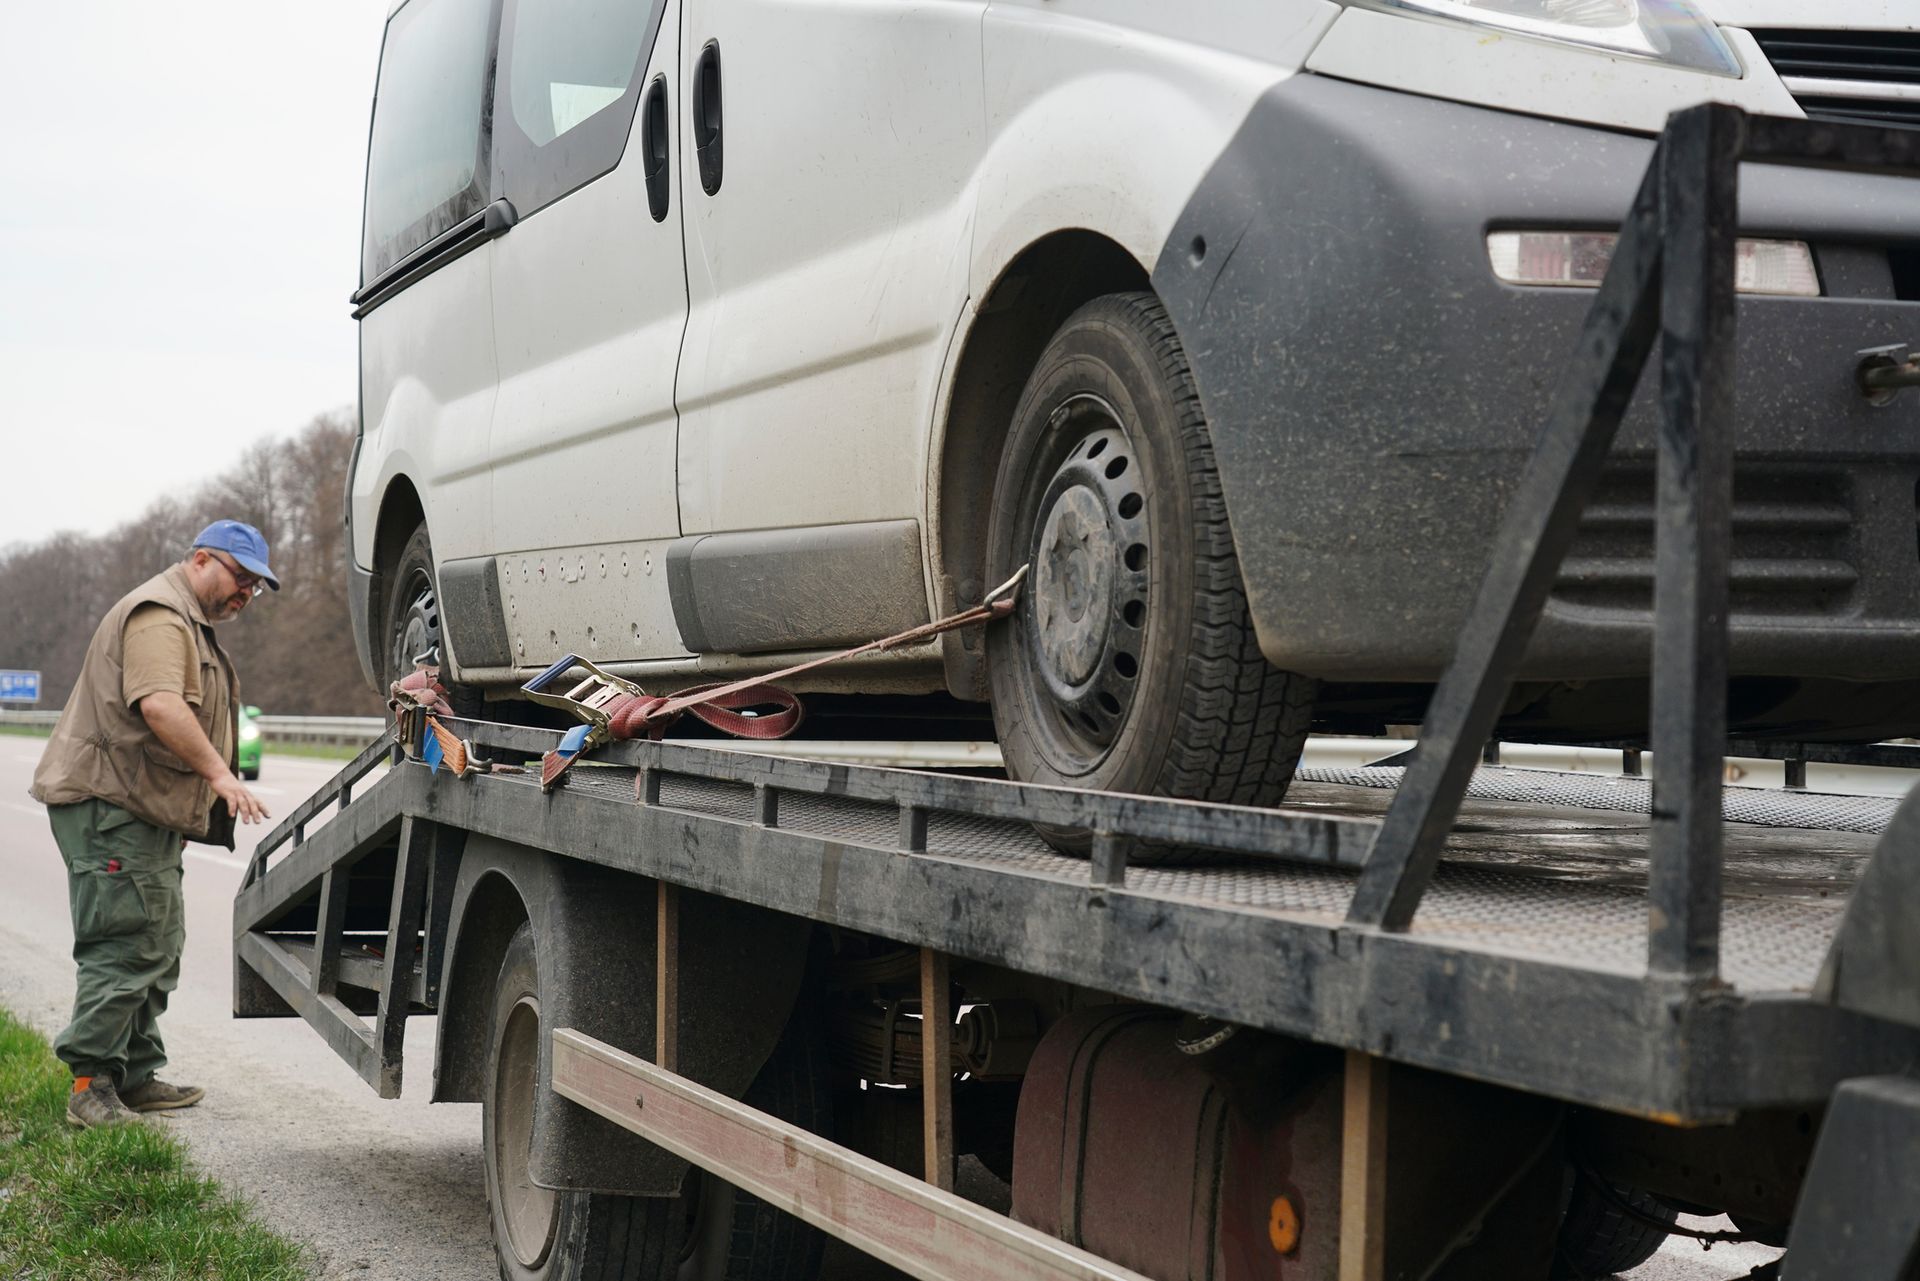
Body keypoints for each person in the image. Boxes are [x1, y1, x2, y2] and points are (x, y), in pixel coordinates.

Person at [29, 520, 277, 1128]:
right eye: (238, 575)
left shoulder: (189, 621)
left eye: (255, 586)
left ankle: (133, 1075)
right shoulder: (161, 615)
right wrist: (221, 776)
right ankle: (90, 1085)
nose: (244, 592)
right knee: (126, 942)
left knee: (157, 943)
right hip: (111, 806)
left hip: (141, 808)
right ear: (199, 560)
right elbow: (160, 704)